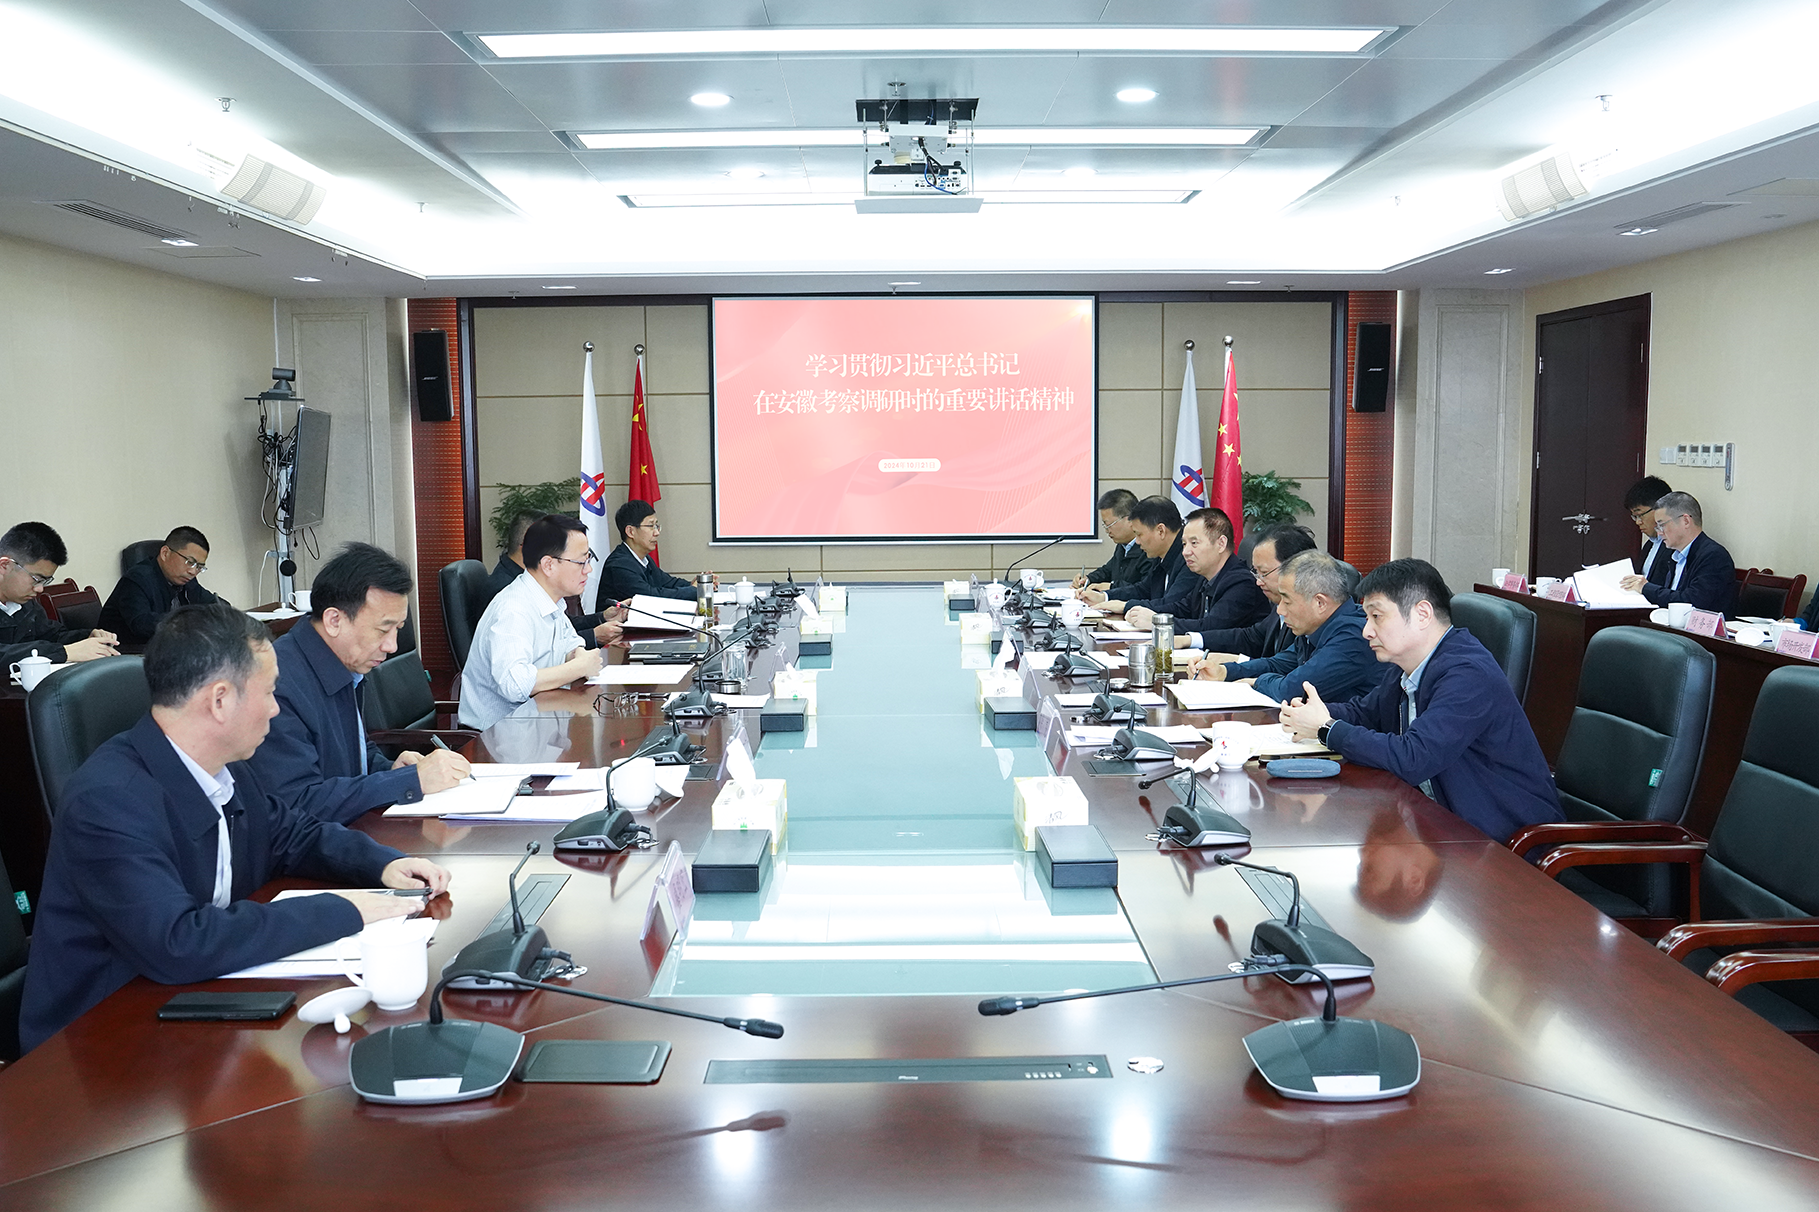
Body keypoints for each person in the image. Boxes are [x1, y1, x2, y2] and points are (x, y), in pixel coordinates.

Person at [18, 603, 449, 1053]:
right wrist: (344, 910)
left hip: (197, 1003)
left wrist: (381, 865)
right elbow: (179, 941)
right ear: (220, 700)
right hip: (101, 1042)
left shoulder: (225, 766)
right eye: (270, 692)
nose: (276, 709)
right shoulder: (107, 801)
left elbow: (291, 834)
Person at [1278, 558, 1563, 843]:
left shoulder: (1469, 674)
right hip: (1435, 822)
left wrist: (1326, 728)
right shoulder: (1406, 665)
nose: (1366, 631)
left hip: (1505, 841)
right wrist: (1312, 714)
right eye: (1366, 617)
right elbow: (1366, 712)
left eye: (1376, 616)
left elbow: (1413, 757)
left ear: (1422, 614)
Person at [248, 543, 472, 824]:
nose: (392, 646)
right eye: (383, 629)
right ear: (334, 620)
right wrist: (407, 781)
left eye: (398, 629)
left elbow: (355, 754)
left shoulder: (342, 662)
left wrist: (390, 769)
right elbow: (298, 804)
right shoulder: (276, 686)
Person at [461, 514, 611, 730]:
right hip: (498, 738)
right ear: (548, 565)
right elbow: (515, 685)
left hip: (539, 724)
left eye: (589, 559)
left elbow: (570, 642)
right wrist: (578, 667)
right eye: (581, 562)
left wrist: (577, 654)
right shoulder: (513, 610)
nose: (588, 569)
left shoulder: (551, 600)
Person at [1193, 550, 1378, 703]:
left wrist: (1256, 682)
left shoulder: (1355, 636)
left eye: (1287, 601)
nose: (1280, 610)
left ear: (1320, 603)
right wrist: (1225, 671)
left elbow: (1291, 690)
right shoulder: (1315, 628)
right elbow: (1277, 664)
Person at [483, 512, 623, 647]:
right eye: (581, 562)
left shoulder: (541, 588)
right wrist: (593, 637)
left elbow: (561, 635)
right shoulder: (511, 603)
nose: (588, 569)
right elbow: (541, 649)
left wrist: (602, 618)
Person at [1125, 506, 1271, 634]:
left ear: (1221, 544)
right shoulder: (1205, 577)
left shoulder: (1242, 583)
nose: (1185, 552)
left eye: (1194, 543)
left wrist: (1158, 621)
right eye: (1184, 544)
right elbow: (1182, 608)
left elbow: (1211, 627)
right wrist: (1139, 610)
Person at [1180, 522, 1317, 657]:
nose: (1258, 581)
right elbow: (1250, 637)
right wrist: (1190, 640)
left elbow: (1284, 668)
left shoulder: (1310, 618)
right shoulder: (1278, 608)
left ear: (1295, 568)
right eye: (1256, 572)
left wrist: (1237, 662)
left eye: (1264, 572)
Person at [0, 521, 119, 667]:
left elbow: (52, 635)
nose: (40, 589)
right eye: (36, 579)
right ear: (4, 566)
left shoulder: (26, 604)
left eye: (45, 581)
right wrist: (64, 652)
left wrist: (86, 637)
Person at [98, 525, 223, 646]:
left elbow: (213, 604)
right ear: (165, 553)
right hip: (124, 652)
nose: (193, 571)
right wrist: (188, 621)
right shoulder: (137, 579)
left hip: (164, 650)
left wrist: (222, 615)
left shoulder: (187, 580)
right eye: (190, 562)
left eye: (199, 567)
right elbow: (141, 624)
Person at [1617, 491, 1737, 614]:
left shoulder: (1713, 556)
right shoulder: (1674, 555)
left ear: (1685, 521)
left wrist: (1645, 587)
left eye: (1661, 525)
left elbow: (1690, 603)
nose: (1659, 532)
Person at [596, 500, 711, 614]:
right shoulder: (619, 564)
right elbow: (650, 598)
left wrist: (697, 584)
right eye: (651, 526)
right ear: (630, 531)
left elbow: (668, 582)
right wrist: (693, 590)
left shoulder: (643, 559)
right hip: (616, 626)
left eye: (656, 526)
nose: (657, 533)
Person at [1080, 497, 1186, 613]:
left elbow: (1172, 605)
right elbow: (1143, 590)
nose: (1137, 542)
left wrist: (1125, 606)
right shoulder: (1161, 554)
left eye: (1139, 535)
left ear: (1161, 531)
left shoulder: (1188, 558)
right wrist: (1104, 597)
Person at [1072, 489, 1156, 591]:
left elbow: (1144, 588)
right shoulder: (1123, 546)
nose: (1107, 530)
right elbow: (1107, 571)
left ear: (1129, 519)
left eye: (1109, 525)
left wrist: (1111, 587)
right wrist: (1088, 579)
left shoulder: (1148, 548)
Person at [1622, 476, 1675, 586]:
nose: (1638, 522)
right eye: (1634, 517)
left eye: (1640, 515)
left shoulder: (1675, 548)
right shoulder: (1649, 545)